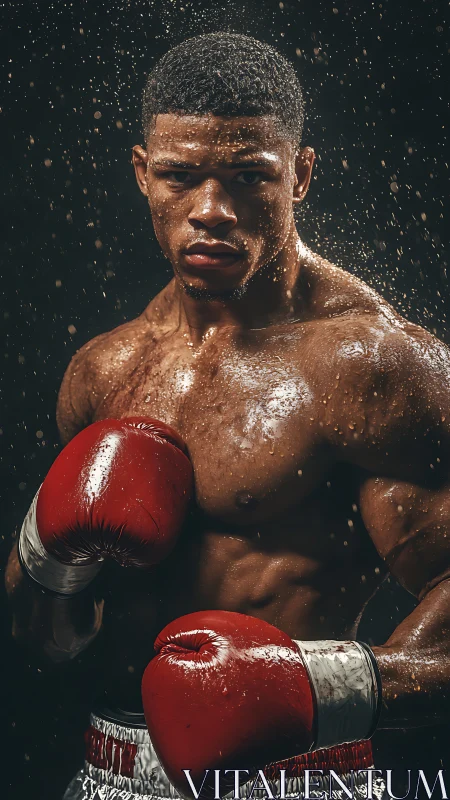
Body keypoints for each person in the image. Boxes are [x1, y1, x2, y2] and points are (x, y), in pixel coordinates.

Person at [5, 31, 450, 800]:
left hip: (291, 777)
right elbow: (45, 641)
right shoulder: (104, 369)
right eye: (180, 177)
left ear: (301, 176)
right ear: (144, 174)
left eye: (251, 177)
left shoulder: (365, 366)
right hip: (110, 770)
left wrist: (314, 690)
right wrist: (49, 553)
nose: (211, 210)